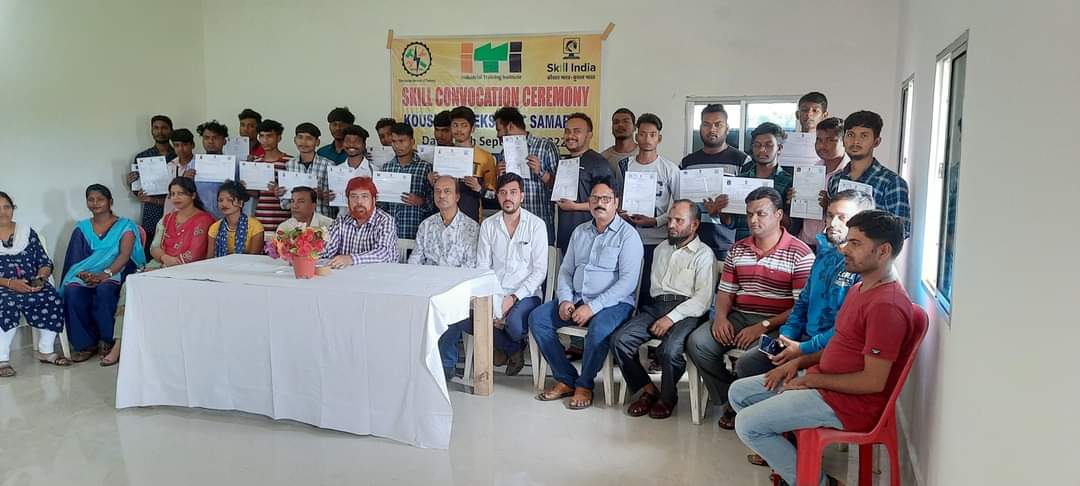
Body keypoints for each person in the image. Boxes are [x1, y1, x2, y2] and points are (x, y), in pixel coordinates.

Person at [729, 211, 918, 486]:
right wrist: (798, 363)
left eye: (856, 244)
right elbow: (841, 344)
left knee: (747, 425)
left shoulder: (886, 306)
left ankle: (816, 482)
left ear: (883, 251)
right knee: (739, 392)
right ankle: (800, 468)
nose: (845, 249)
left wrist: (811, 381)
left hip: (847, 403)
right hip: (823, 381)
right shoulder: (859, 289)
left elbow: (873, 382)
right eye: (848, 241)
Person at [685, 187, 813, 430]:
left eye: (761, 214)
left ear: (778, 215)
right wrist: (721, 318)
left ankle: (752, 405)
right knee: (698, 343)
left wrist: (763, 326)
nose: (753, 220)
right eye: (749, 214)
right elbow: (726, 292)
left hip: (781, 325)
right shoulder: (738, 249)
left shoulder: (800, 253)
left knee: (749, 361)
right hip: (740, 316)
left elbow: (801, 308)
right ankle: (730, 399)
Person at [734, 190, 874, 392]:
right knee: (747, 364)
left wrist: (801, 349)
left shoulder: (862, 267)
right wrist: (787, 337)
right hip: (801, 339)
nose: (833, 223)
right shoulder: (824, 254)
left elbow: (846, 327)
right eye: (830, 215)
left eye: (842, 218)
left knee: (764, 384)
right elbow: (803, 303)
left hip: (828, 348)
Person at [531, 178, 642, 410]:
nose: (599, 203)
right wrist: (565, 300)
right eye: (595, 198)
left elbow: (627, 284)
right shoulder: (579, 232)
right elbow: (566, 271)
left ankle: (585, 384)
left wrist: (592, 307)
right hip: (578, 298)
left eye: (606, 199)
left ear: (616, 202)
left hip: (615, 304)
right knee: (538, 318)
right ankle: (566, 378)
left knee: (599, 329)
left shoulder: (628, 236)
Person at [610, 200, 716, 418]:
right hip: (657, 306)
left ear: (695, 224)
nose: (671, 225)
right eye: (670, 220)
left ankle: (668, 397)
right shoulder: (661, 249)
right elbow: (655, 289)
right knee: (620, 340)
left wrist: (671, 318)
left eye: (679, 221)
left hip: (689, 311)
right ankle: (648, 390)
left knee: (669, 350)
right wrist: (662, 314)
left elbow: (702, 300)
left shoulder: (704, 254)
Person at [441, 173, 547, 378]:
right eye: (503, 193)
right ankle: (511, 348)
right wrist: (495, 304)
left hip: (526, 294)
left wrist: (512, 299)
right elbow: (482, 267)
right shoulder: (489, 225)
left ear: (522, 196)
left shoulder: (536, 225)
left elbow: (539, 271)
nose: (508, 197)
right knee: (461, 317)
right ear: (497, 196)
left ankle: (502, 343)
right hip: (494, 290)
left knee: (514, 324)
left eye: (513, 192)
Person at [102, 177, 214, 366]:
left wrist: (167, 264)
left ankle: (157, 346)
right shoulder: (167, 218)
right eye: (172, 194)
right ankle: (120, 345)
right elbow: (154, 247)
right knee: (130, 287)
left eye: (181, 193)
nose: (176, 198)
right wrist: (164, 259)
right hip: (161, 263)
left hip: (188, 270)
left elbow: (193, 254)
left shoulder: (204, 220)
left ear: (193, 195)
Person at [60, 184, 146, 362]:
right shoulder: (82, 228)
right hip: (88, 273)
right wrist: (84, 275)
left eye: (100, 199)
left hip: (117, 270)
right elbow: (75, 261)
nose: (95, 203)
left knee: (105, 289)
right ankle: (85, 344)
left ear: (110, 201)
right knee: (72, 290)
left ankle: (108, 340)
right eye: (91, 199)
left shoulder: (125, 226)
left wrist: (105, 274)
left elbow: (125, 255)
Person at [0, 191, 70, 376]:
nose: (3, 212)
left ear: (13, 208)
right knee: (6, 303)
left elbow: (44, 261)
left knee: (52, 298)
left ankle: (46, 350)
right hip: (3, 287)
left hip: (30, 283)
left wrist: (41, 277)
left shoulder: (26, 232)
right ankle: (2, 358)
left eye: (6, 207)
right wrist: (10, 283)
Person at [616, 113, 680, 305]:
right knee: (627, 285)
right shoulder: (625, 165)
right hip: (628, 236)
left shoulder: (670, 169)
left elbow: (680, 206)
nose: (647, 139)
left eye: (652, 134)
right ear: (636, 136)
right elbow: (616, 198)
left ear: (659, 138)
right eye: (643, 134)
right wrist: (620, 212)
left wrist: (656, 221)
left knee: (649, 288)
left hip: (657, 239)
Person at [825, 111, 912, 238]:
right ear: (843, 139)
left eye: (864, 136)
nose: (855, 141)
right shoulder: (835, 179)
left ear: (876, 141)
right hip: (836, 249)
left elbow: (901, 231)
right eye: (850, 135)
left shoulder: (892, 183)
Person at [682, 104, 751, 260]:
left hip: (728, 245)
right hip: (692, 243)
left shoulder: (742, 160)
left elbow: (746, 204)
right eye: (706, 124)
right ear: (700, 128)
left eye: (718, 124)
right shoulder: (687, 162)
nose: (712, 129)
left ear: (727, 129)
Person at [554, 112, 618, 254]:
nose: (570, 136)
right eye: (567, 131)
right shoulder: (564, 162)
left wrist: (574, 207)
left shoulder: (598, 163)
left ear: (589, 135)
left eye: (577, 131)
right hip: (566, 238)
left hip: (590, 239)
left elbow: (609, 202)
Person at [493, 106, 558, 243]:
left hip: (541, 221)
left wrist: (540, 172)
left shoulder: (545, 147)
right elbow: (500, 191)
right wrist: (498, 175)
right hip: (512, 224)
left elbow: (559, 188)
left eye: (499, 130)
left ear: (510, 126)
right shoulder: (504, 153)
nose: (498, 135)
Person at [428, 106, 496, 223]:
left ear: (472, 129)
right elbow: (435, 192)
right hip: (442, 220)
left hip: (471, 219)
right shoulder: (442, 155)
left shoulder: (486, 157)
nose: (459, 130)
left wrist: (479, 188)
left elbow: (493, 196)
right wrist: (431, 182)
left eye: (464, 125)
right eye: (455, 125)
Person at [791, 117, 850, 248]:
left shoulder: (850, 175)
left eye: (830, 140)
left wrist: (829, 206)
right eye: (819, 140)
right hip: (805, 242)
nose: (822, 145)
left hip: (834, 248)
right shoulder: (811, 170)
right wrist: (793, 200)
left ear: (845, 142)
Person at [730, 122, 794, 242]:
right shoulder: (740, 180)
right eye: (757, 145)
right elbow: (732, 222)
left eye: (768, 145)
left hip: (775, 248)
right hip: (743, 246)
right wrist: (721, 210)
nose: (762, 150)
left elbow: (792, 226)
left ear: (779, 148)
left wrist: (771, 208)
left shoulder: (789, 182)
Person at [321, 177, 398, 267]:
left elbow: (383, 253)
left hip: (380, 273)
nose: (359, 202)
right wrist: (311, 249)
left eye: (364, 196)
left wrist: (350, 259)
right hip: (349, 273)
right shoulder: (340, 222)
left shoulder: (385, 221)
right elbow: (327, 249)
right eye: (353, 196)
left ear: (374, 200)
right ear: (348, 201)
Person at [127, 114, 176, 250]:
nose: (160, 131)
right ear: (151, 130)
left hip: (175, 209)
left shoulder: (178, 155)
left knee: (174, 246)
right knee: (150, 248)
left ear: (171, 130)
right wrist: (132, 183)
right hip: (151, 211)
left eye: (164, 128)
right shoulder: (142, 157)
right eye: (156, 128)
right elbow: (137, 190)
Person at [378, 123, 434, 240]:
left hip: (417, 232)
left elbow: (435, 203)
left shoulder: (426, 168)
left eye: (402, 141)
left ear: (412, 142)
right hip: (390, 234)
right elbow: (382, 206)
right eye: (394, 141)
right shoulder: (386, 168)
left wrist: (420, 201)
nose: (397, 146)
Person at [408, 176, 479, 267]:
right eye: (437, 191)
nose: (441, 195)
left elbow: (471, 264)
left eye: (447, 191)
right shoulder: (426, 225)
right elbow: (415, 259)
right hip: (427, 275)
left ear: (457, 197)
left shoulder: (472, 228)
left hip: (458, 276)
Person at [280, 122, 333, 218]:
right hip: (297, 222)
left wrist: (322, 195)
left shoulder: (328, 165)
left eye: (309, 138)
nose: (304, 142)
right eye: (300, 137)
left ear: (317, 142)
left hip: (322, 220)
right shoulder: (290, 165)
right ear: (295, 140)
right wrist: (281, 194)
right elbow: (285, 205)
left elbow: (336, 201)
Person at [253, 119, 293, 232]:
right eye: (261, 136)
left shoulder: (290, 162)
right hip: (260, 219)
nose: (265, 140)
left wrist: (280, 190)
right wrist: (244, 186)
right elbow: (255, 194)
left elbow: (296, 193)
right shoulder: (255, 163)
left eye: (269, 136)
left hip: (284, 221)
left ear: (279, 138)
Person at [207, 181, 265, 258]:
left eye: (229, 200)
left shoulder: (255, 226)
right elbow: (209, 259)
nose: (224, 204)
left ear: (240, 203)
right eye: (220, 200)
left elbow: (253, 258)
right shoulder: (214, 228)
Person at [190, 120, 229, 219]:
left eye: (215, 138)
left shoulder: (233, 165)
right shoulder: (193, 164)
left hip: (227, 217)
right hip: (199, 217)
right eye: (206, 138)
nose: (210, 141)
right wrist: (186, 180)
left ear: (224, 141)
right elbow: (187, 193)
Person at [601, 107, 638, 172]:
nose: (620, 125)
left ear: (634, 127)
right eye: (616, 122)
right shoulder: (603, 158)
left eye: (625, 121)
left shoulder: (645, 153)